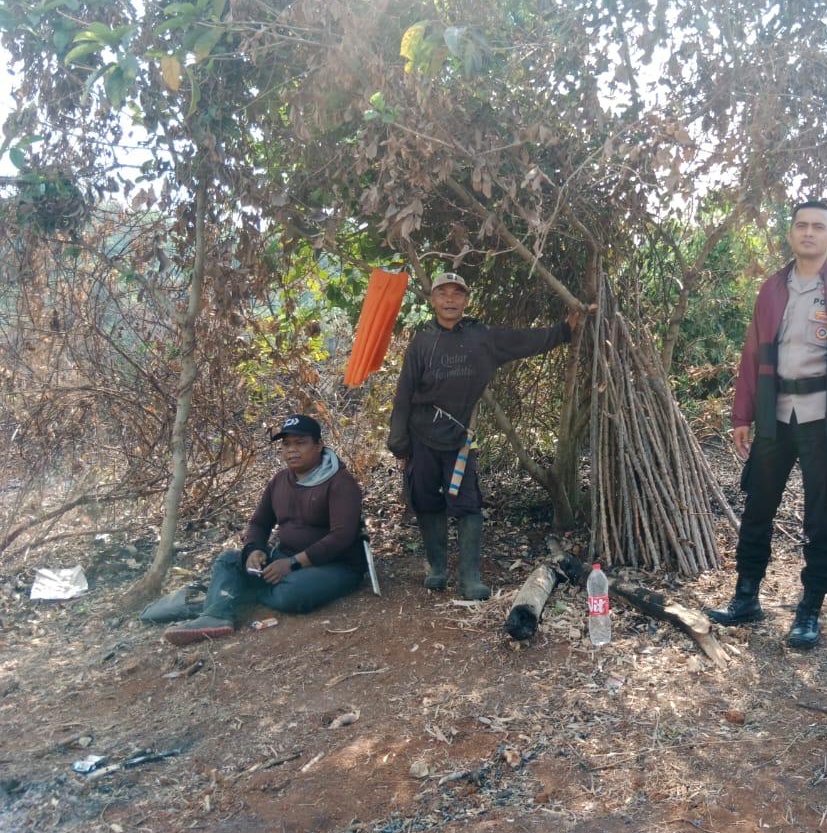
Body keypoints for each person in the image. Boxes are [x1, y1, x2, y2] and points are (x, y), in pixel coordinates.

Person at [710, 200, 827, 649]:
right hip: (775, 413)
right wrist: (742, 415)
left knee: (821, 517)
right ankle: (746, 597)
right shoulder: (771, 289)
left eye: (818, 226)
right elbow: (752, 355)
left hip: (825, 418)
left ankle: (810, 609)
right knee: (758, 507)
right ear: (790, 235)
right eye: (801, 225)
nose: (808, 232)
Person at [388, 271, 585, 599]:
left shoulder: (482, 338)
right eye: (443, 294)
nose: (450, 300)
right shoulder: (422, 342)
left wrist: (563, 331)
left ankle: (470, 577)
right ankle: (437, 568)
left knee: (467, 503)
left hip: (459, 439)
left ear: (466, 300)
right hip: (421, 434)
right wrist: (398, 440)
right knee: (425, 499)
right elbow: (404, 392)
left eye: (457, 294)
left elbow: (522, 340)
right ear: (433, 300)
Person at [163, 413, 365, 645]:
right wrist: (254, 549)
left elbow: (341, 537)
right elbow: (259, 523)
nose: (292, 450)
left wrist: (293, 563)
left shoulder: (340, 482)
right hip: (285, 558)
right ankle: (215, 617)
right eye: (286, 444)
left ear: (319, 445)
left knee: (292, 593)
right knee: (228, 560)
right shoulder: (279, 480)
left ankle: (236, 594)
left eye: (300, 443)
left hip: (335, 566)